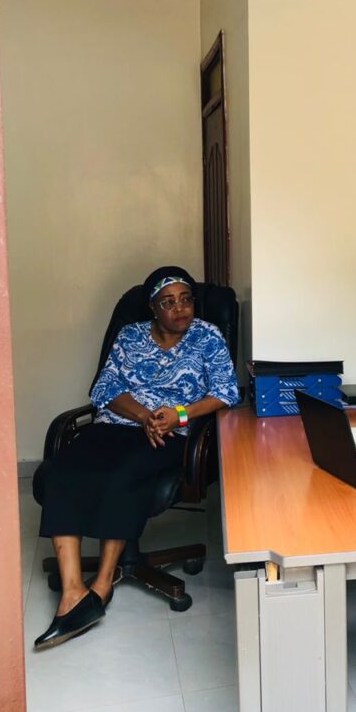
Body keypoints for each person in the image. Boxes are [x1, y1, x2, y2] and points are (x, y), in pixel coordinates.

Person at [32, 266, 241, 650]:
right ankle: (73, 589)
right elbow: (105, 388)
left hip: (171, 434)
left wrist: (176, 415)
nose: (180, 309)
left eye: (186, 300)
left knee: (122, 475)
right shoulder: (131, 335)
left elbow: (226, 392)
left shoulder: (207, 336)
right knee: (62, 470)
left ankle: (102, 585)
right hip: (119, 425)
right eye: (169, 302)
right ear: (153, 308)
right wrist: (143, 416)